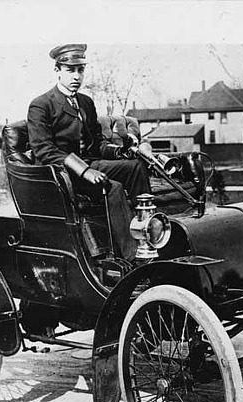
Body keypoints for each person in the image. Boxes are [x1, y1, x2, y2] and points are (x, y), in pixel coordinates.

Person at [27, 43, 151, 260]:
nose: (76, 76)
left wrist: (120, 152)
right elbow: (44, 151)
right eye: (70, 70)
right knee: (113, 188)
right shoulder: (41, 105)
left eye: (80, 70)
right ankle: (132, 258)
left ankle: (149, 234)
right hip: (61, 174)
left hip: (90, 165)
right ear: (57, 71)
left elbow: (96, 145)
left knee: (136, 168)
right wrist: (84, 171)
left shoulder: (85, 102)